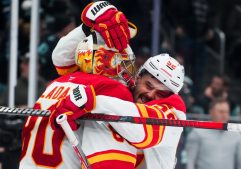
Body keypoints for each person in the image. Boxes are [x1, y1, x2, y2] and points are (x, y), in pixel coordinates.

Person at [21, 2, 186, 169]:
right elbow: (60, 59)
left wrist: (95, 102)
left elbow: (142, 129)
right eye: (149, 85)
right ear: (138, 77)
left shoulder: (173, 109)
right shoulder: (110, 94)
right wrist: (88, 26)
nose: (151, 95)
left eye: (161, 94)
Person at [186, 98, 241, 169]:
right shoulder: (197, 132)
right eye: (221, 112)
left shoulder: (236, 135)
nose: (224, 115)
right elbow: (190, 161)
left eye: (226, 112)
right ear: (211, 112)